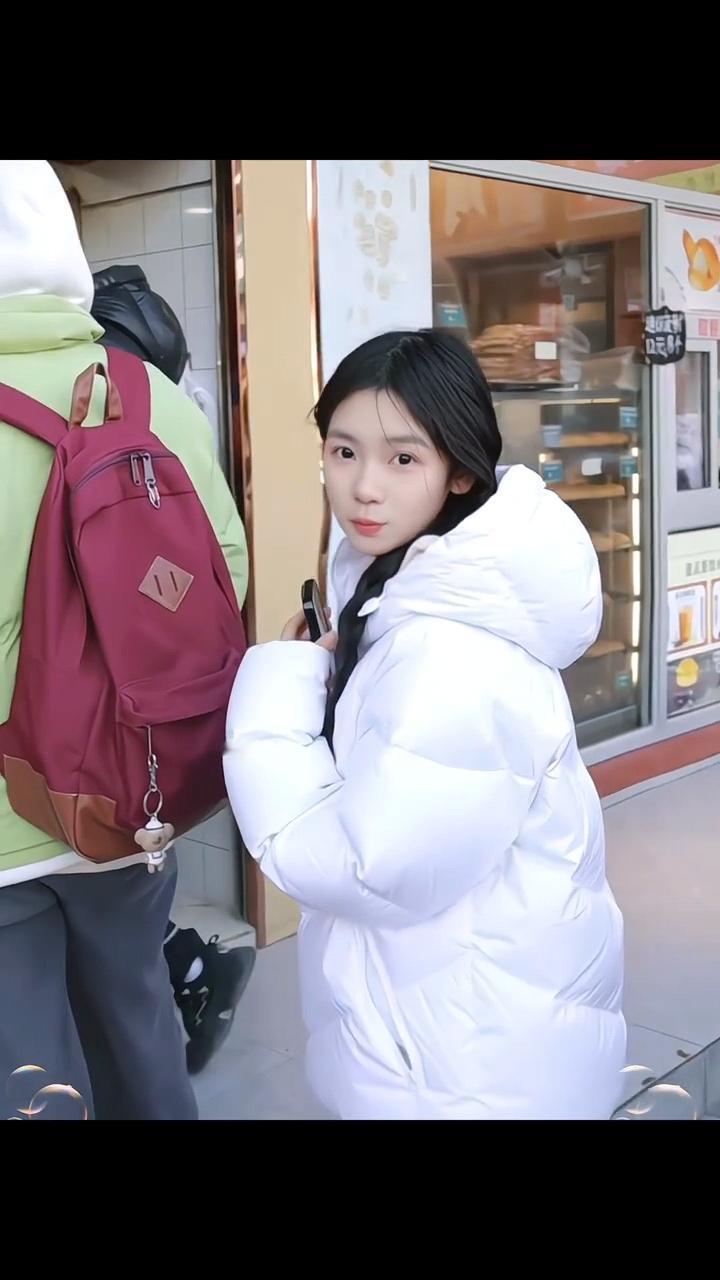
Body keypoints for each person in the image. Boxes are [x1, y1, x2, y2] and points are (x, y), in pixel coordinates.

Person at [224, 329, 626, 1121]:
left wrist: (276, 697)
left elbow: (368, 868)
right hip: (466, 1024)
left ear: (459, 471)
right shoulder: (412, 590)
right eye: (344, 452)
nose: (364, 488)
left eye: (403, 458)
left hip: (457, 1066)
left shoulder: (451, 652)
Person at [0, 161, 248, 1119]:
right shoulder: (154, 396)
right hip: (131, 794)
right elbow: (223, 578)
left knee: (30, 1066)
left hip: (9, 826)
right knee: (137, 1026)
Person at [91, 264, 255, 1074]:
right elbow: (228, 569)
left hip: (65, 760)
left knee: (109, 947)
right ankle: (193, 972)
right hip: (145, 740)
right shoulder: (168, 402)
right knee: (127, 926)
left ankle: (191, 972)